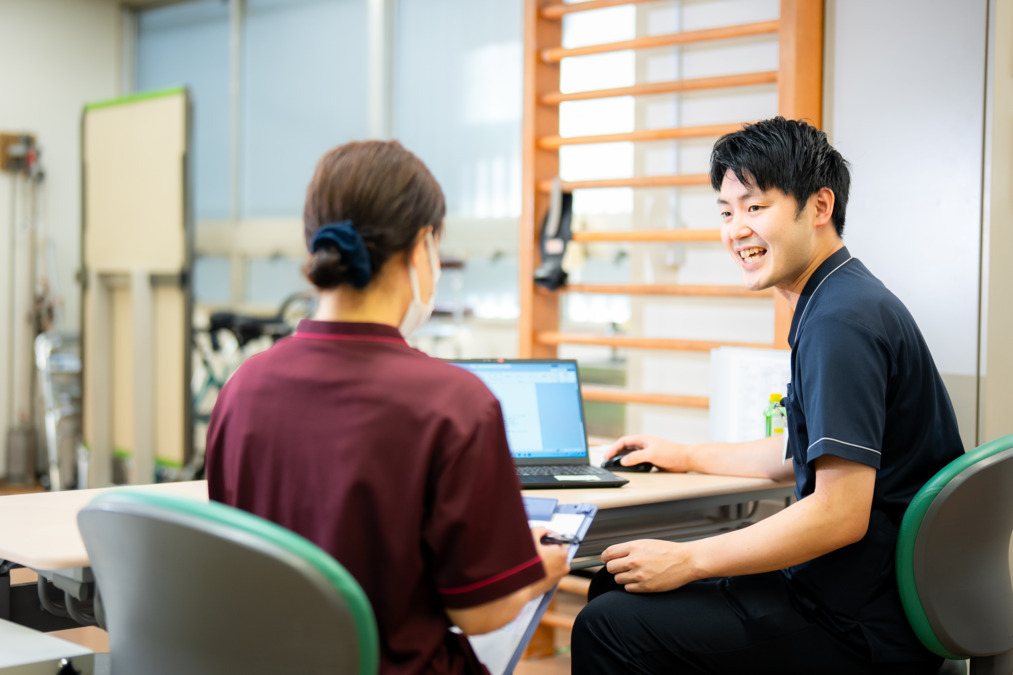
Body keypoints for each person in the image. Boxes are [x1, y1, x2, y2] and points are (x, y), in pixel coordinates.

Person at [570, 118, 963, 675]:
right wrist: (686, 454)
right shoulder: (843, 295)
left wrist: (689, 558)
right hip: (867, 596)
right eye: (726, 212)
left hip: (856, 625)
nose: (736, 230)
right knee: (618, 579)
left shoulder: (840, 321)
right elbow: (798, 451)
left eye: (755, 208)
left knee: (607, 625)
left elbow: (839, 514)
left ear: (819, 206)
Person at [205, 140, 569, 674]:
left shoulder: (243, 387)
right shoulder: (454, 404)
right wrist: (539, 566)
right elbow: (483, 610)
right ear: (422, 246)